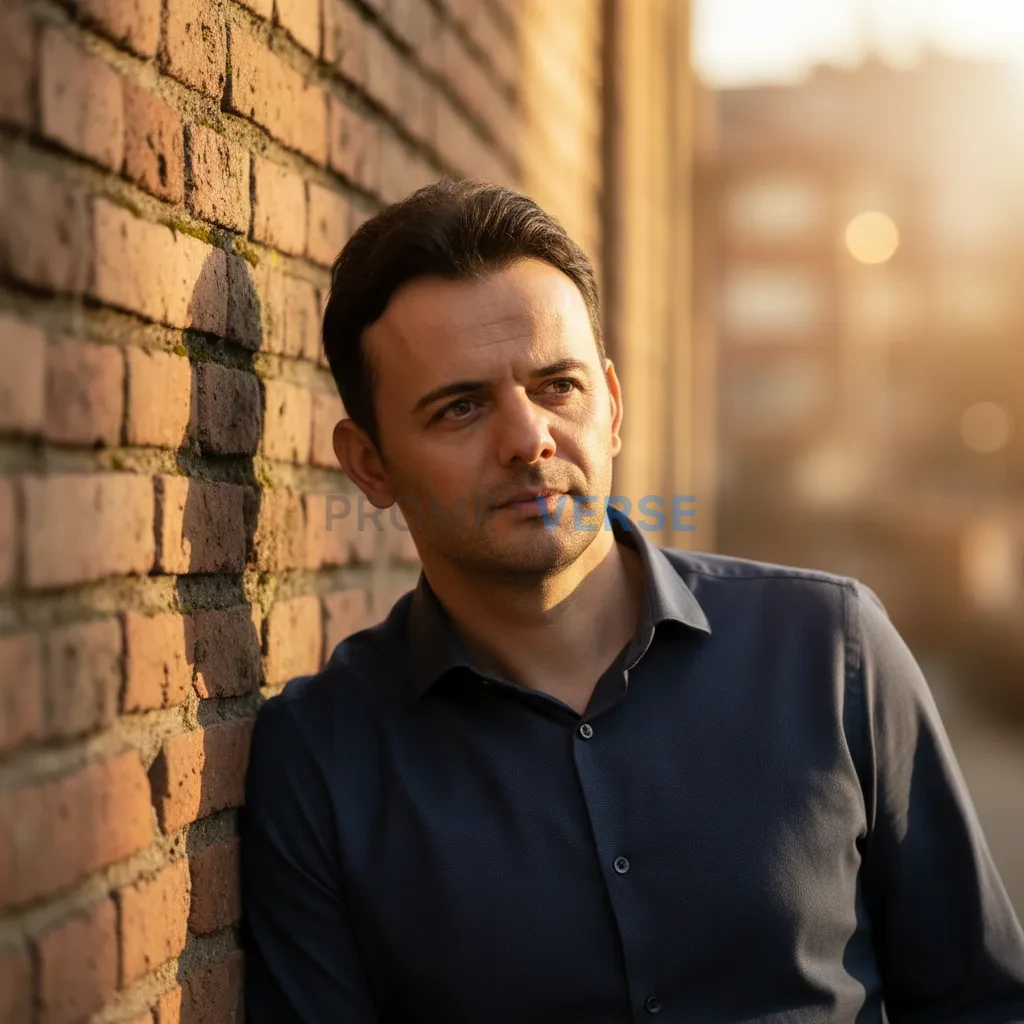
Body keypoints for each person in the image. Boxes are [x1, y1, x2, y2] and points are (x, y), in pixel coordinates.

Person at [240, 177, 1024, 1022]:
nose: (527, 439)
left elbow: (979, 1001)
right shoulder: (322, 761)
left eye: (557, 387)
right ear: (370, 466)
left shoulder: (832, 650)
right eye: (460, 408)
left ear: (610, 407)